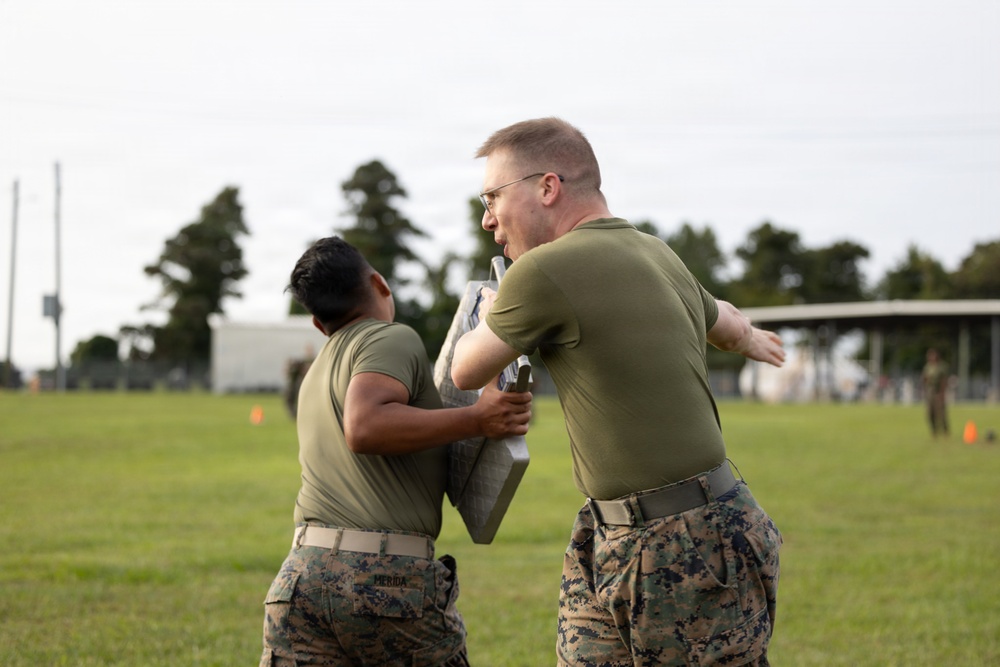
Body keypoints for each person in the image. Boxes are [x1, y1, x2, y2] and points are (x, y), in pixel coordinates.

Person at [451, 118, 786, 666]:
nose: (488, 219)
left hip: (682, 544)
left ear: (548, 187)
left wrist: (490, 313)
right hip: (622, 530)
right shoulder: (656, 252)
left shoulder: (541, 272)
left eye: (492, 197)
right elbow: (721, 319)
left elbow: (466, 369)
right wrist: (752, 340)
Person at [260, 236, 532, 666]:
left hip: (300, 581)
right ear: (380, 284)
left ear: (317, 324)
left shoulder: (316, 372)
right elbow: (365, 426)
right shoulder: (391, 338)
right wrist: (478, 420)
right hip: (385, 581)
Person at [921, 348, 949, 439]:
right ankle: (934, 431)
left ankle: (945, 431)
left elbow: (943, 380)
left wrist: (942, 393)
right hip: (930, 391)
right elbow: (924, 379)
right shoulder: (927, 367)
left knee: (941, 413)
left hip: (938, 391)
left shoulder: (941, 367)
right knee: (930, 413)